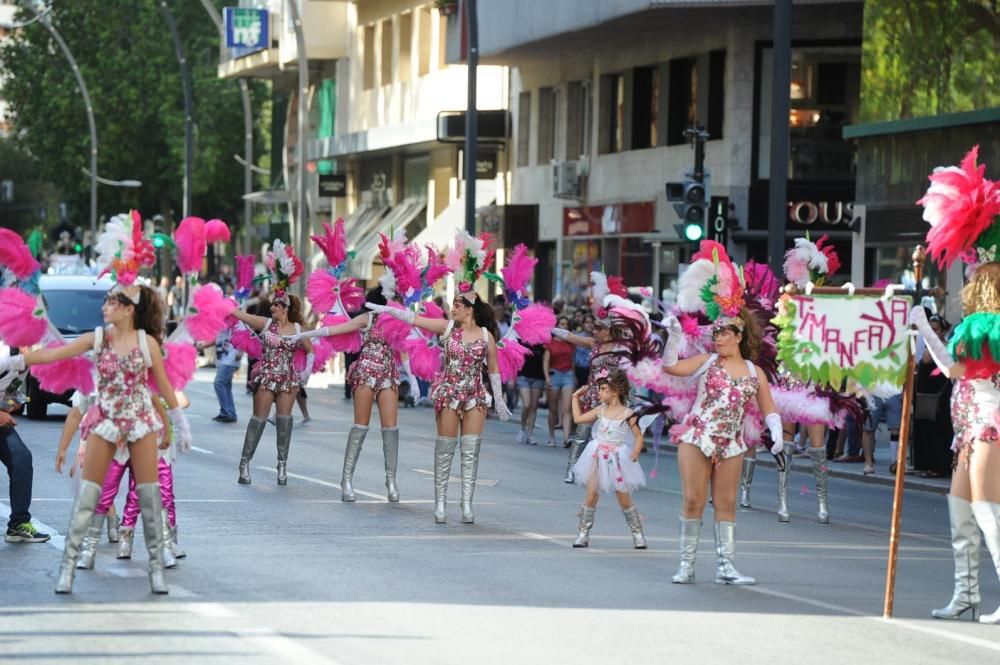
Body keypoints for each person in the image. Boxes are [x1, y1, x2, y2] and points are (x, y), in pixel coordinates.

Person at [0, 284, 192, 594]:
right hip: (106, 423)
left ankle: (157, 569)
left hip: (141, 425)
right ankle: (68, 569)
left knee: (149, 497)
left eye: (112, 301)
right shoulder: (98, 338)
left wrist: (181, 426)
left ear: (129, 309)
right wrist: (15, 362)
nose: (105, 306)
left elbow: (163, 388)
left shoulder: (147, 344)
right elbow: (54, 353)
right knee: (89, 497)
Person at [366, 287, 512, 524]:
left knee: (470, 451)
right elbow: (415, 319)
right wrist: (389, 310)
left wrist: (500, 399)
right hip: (449, 392)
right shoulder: (447, 328)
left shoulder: (486, 335)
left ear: (469, 309)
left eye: (457, 305)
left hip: (475, 395)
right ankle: (441, 503)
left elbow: (493, 368)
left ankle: (466, 504)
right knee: (445, 450)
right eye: (452, 304)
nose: (452, 308)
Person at [662, 312, 784, 585]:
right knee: (694, 500)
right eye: (716, 334)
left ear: (739, 337)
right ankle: (686, 565)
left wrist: (776, 430)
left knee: (726, 504)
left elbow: (768, 407)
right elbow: (670, 366)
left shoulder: (755, 372)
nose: (718, 339)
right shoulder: (706, 362)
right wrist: (674, 338)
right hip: (698, 437)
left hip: (732, 444)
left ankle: (726, 567)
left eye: (725, 334)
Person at [911, 266, 1000, 622]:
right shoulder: (980, 329)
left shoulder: (988, 333)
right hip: (966, 430)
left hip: (986, 427)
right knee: (960, 512)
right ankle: (966, 594)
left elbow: (951, 370)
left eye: (973, 282)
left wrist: (923, 328)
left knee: (987, 511)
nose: (966, 288)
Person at [289, 287, 403, 502]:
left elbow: (403, 348)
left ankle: (391, 480)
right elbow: (337, 330)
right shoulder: (368, 318)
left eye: (398, 299)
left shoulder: (397, 321)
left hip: (388, 374)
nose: (397, 303)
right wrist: (307, 334)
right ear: (382, 299)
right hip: (366, 372)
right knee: (361, 425)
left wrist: (413, 378)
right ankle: (347, 479)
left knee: (391, 428)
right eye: (394, 298)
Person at [230, 291, 314, 486]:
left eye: (276, 305)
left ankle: (282, 466)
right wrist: (234, 302)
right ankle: (244, 464)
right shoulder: (266, 324)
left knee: (284, 422)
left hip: (288, 380)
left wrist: (306, 373)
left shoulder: (299, 329)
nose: (272, 308)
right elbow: (241, 315)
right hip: (267, 376)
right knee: (258, 420)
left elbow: (310, 350)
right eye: (273, 305)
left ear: (286, 308)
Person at [569, 368, 647, 549]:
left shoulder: (628, 414)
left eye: (603, 389)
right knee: (591, 494)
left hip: (617, 458)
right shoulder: (600, 410)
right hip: (596, 455)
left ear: (616, 391)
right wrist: (575, 398)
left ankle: (637, 534)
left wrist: (635, 451)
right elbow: (578, 419)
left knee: (623, 497)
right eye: (599, 389)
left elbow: (639, 436)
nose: (599, 393)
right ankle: (583, 533)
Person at [0, 358, 50, 544]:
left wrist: (14, 402)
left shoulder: (25, 365)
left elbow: (13, 393)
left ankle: (18, 524)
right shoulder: (3, 356)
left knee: (21, 458)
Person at [911, 313, 954, 478]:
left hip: (939, 398)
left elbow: (927, 359)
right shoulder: (927, 343)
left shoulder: (942, 345)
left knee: (938, 432)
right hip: (925, 396)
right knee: (924, 431)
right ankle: (926, 465)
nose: (931, 332)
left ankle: (938, 467)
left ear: (943, 331)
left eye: (935, 329)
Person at [544, 316, 576, 448]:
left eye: (566, 325)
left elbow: (572, 360)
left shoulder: (570, 342)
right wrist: (547, 377)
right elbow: (545, 362)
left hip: (568, 374)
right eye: (561, 324)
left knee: (567, 408)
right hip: (554, 375)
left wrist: (573, 375)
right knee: (553, 409)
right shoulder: (549, 342)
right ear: (556, 326)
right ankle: (551, 437)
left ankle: (566, 437)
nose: (564, 327)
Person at [516, 344, 547, 445]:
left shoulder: (544, 341)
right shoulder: (523, 339)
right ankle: (522, 428)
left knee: (534, 407)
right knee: (526, 404)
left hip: (538, 377)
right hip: (523, 375)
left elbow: (546, 359)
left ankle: (529, 435)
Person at [213, 326, 242, 423]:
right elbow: (217, 338)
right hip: (223, 358)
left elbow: (243, 333)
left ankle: (226, 412)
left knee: (219, 383)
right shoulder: (219, 319)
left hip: (231, 357)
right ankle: (230, 413)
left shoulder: (236, 316)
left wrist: (240, 352)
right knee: (226, 385)